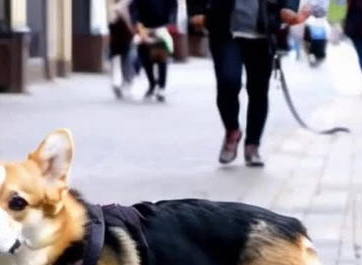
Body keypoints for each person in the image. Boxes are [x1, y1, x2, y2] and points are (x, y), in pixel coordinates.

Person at [188, 0, 310, 167]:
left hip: (263, 30)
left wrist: (288, 8)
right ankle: (232, 130)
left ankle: (253, 145)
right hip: (224, 28)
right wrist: (196, 10)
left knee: (258, 89)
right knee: (228, 81)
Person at [131, 0, 177, 102]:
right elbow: (134, 8)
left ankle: (161, 87)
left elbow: (172, 6)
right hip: (144, 28)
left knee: (161, 59)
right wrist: (137, 23)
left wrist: (170, 23)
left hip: (160, 27)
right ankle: (152, 83)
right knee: (146, 61)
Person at [109, 0, 136, 99]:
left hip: (117, 35)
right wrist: (132, 28)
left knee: (117, 59)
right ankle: (125, 83)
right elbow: (126, 16)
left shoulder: (116, 6)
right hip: (123, 35)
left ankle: (118, 82)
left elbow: (112, 21)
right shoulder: (127, 3)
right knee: (126, 59)